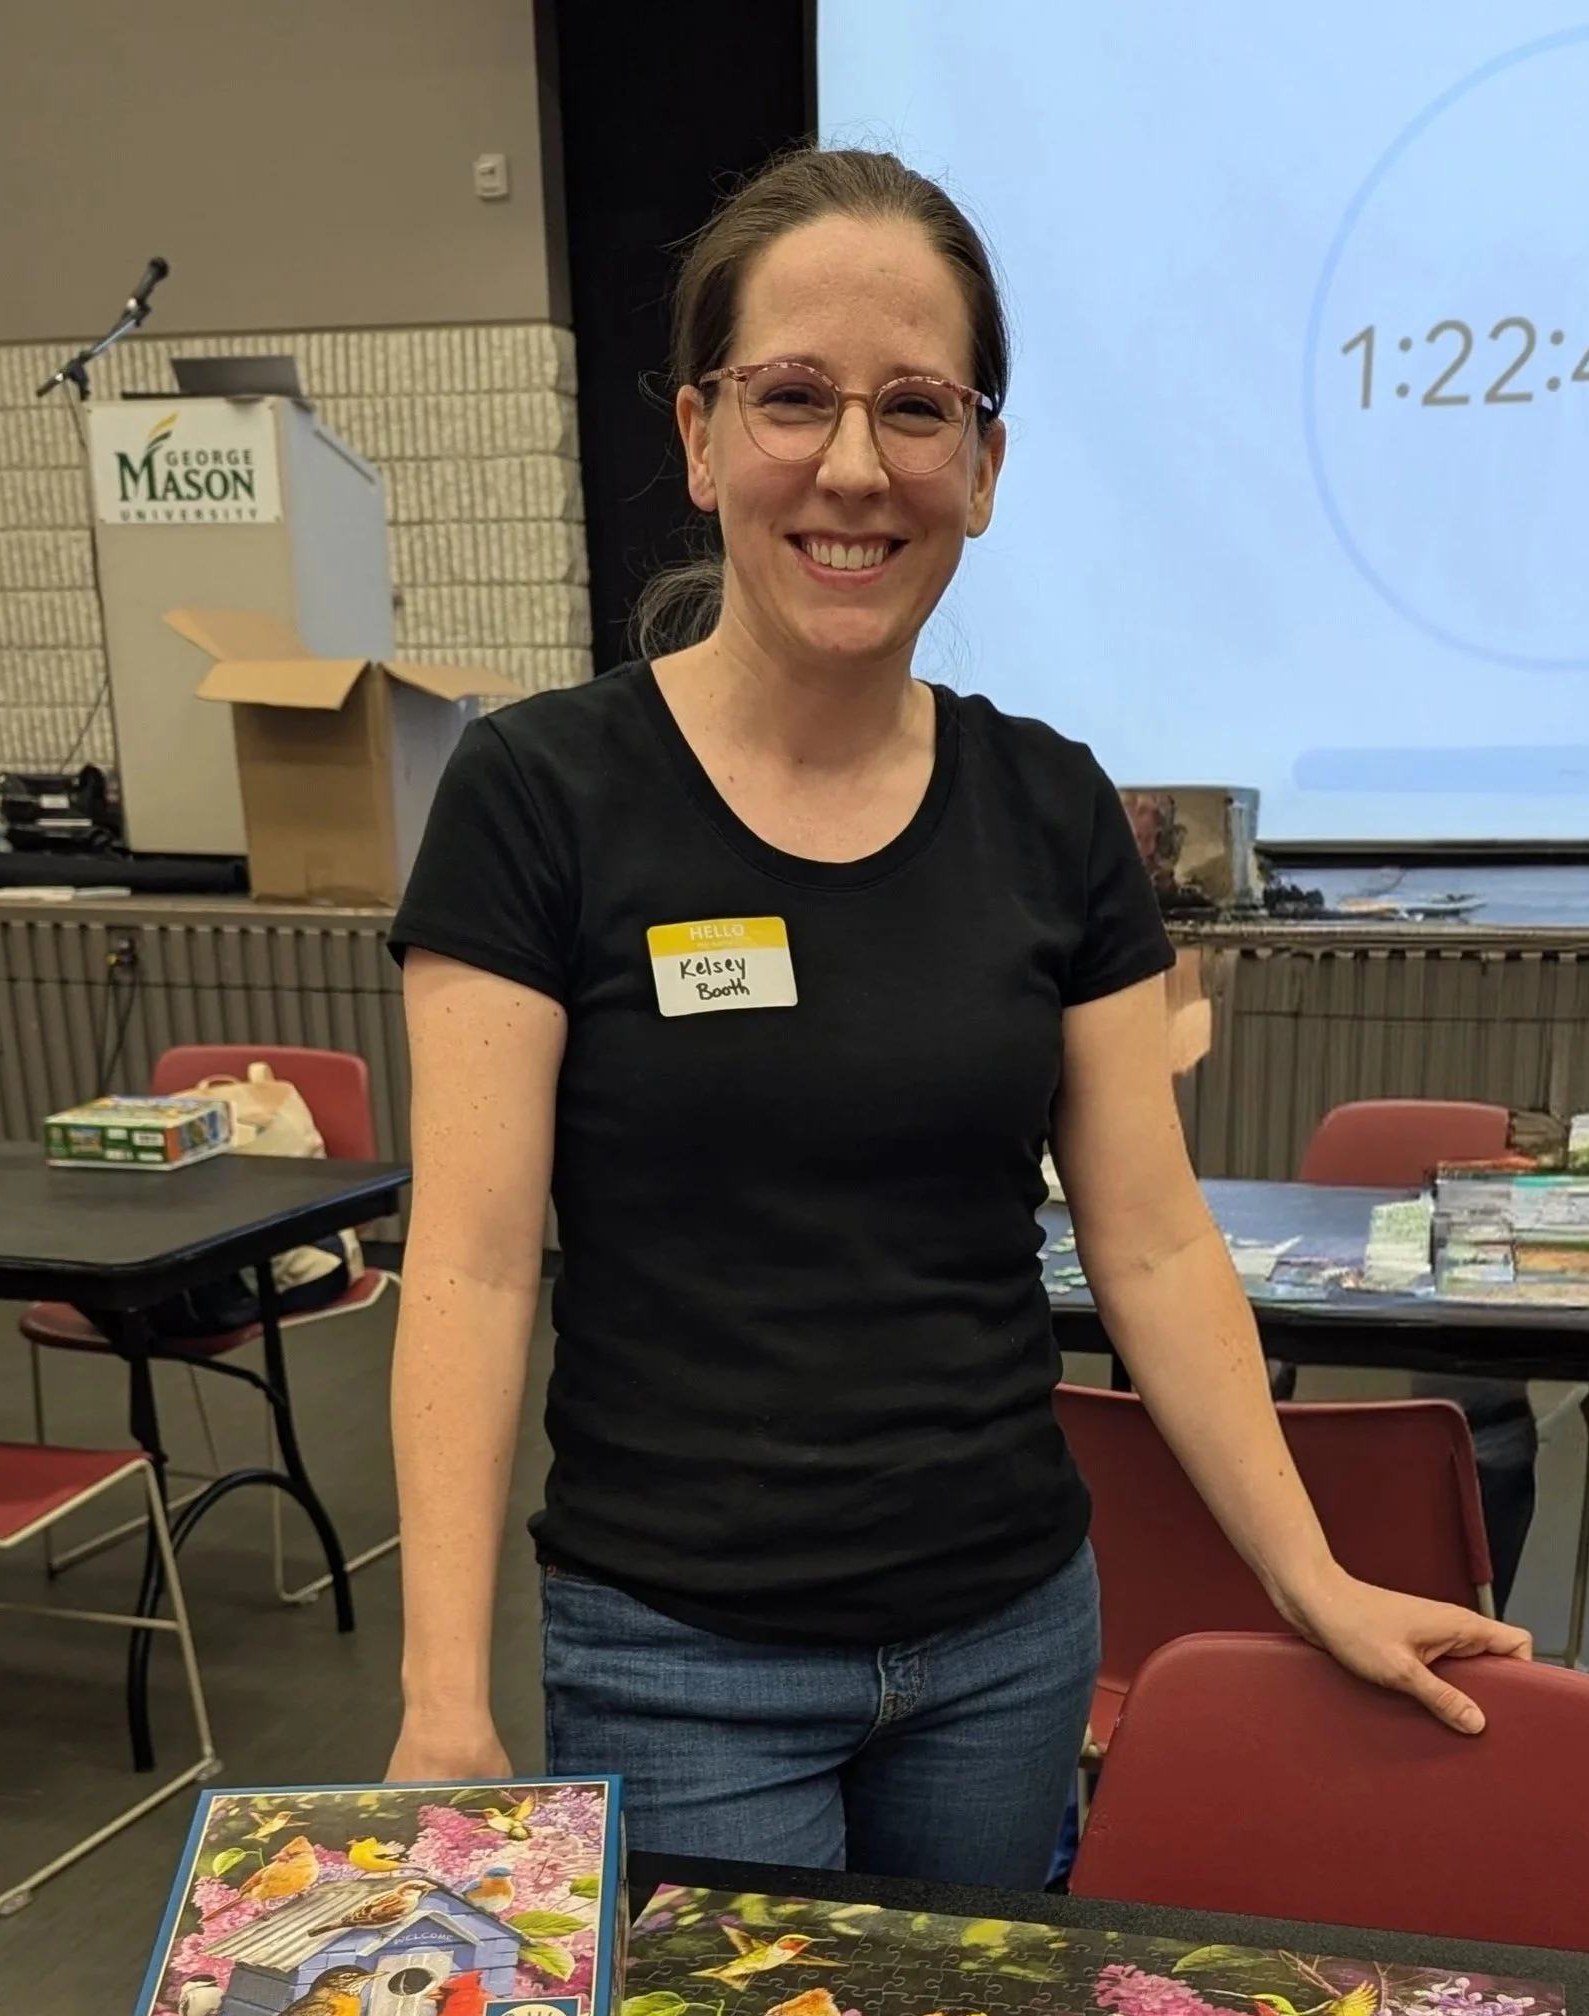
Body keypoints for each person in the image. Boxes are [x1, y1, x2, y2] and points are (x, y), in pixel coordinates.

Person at [385, 146, 1530, 1881]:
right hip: (679, 1658)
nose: (854, 466)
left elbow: (1146, 1247)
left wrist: (1310, 1576)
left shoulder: (1054, 810)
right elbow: (469, 1268)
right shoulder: (540, 795)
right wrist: (440, 1697)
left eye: (916, 409)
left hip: (1005, 1647)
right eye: (792, 399)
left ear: (981, 467)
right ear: (697, 438)